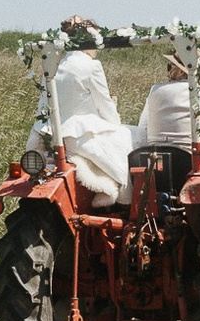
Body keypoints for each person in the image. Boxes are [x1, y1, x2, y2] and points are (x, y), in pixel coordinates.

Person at [25, 16, 134, 206]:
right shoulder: (91, 66)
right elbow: (105, 105)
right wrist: (116, 123)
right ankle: (126, 200)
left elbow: (44, 104)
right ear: (88, 41)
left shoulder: (53, 66)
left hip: (47, 135)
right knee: (131, 136)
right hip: (79, 138)